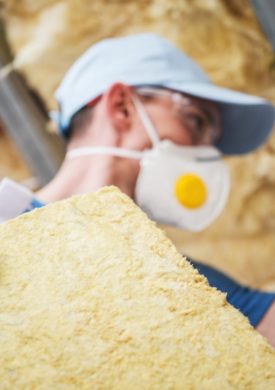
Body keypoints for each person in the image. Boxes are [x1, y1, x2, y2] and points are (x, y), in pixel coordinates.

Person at [2, 33, 275, 346]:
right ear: (122, 106)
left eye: (211, 144)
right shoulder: (8, 241)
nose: (205, 156)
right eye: (196, 122)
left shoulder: (182, 282)